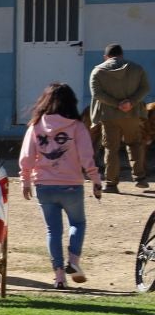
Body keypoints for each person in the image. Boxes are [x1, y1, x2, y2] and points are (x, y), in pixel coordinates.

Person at [19, 82, 104, 289]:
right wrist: (95, 179)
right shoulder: (76, 127)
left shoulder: (36, 126)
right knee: (78, 223)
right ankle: (73, 262)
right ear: (71, 102)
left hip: (44, 186)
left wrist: (25, 180)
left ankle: (59, 276)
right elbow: (86, 157)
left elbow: (27, 156)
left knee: (53, 231)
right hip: (71, 185)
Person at [88, 43, 148, 191]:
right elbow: (145, 88)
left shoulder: (98, 71)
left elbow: (97, 94)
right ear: (122, 55)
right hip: (132, 114)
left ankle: (111, 183)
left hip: (109, 116)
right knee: (134, 144)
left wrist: (116, 104)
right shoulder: (137, 68)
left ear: (105, 56)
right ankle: (139, 177)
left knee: (111, 149)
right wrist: (130, 102)